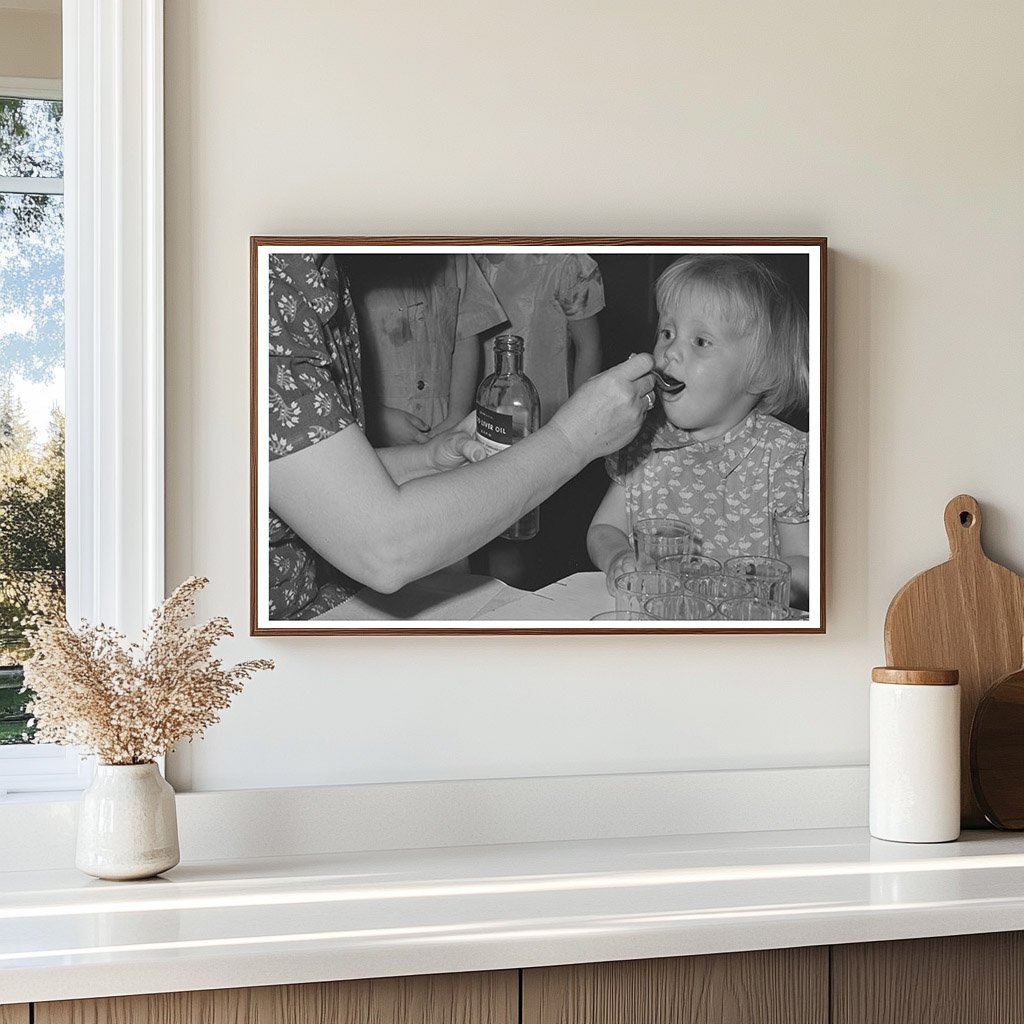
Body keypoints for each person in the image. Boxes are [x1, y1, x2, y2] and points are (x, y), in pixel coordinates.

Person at [266, 252, 655, 620]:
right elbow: (384, 548)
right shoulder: (265, 292)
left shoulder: (320, 272)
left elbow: (314, 484)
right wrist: (573, 440)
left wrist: (425, 460)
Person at [587, 254, 810, 609]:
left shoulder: (782, 456)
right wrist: (617, 557)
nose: (670, 351)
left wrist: (754, 580)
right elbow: (603, 529)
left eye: (701, 342)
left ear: (759, 373)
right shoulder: (644, 440)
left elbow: (806, 566)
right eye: (667, 332)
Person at [348, 254, 505, 446]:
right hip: (368, 430)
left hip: (442, 421)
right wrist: (376, 418)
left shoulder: (455, 255)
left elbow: (466, 334)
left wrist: (457, 416)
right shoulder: (345, 257)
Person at [475, 253, 604, 423]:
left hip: (542, 414)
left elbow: (588, 348)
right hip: (478, 411)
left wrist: (579, 420)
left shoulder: (564, 262)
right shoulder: (462, 260)